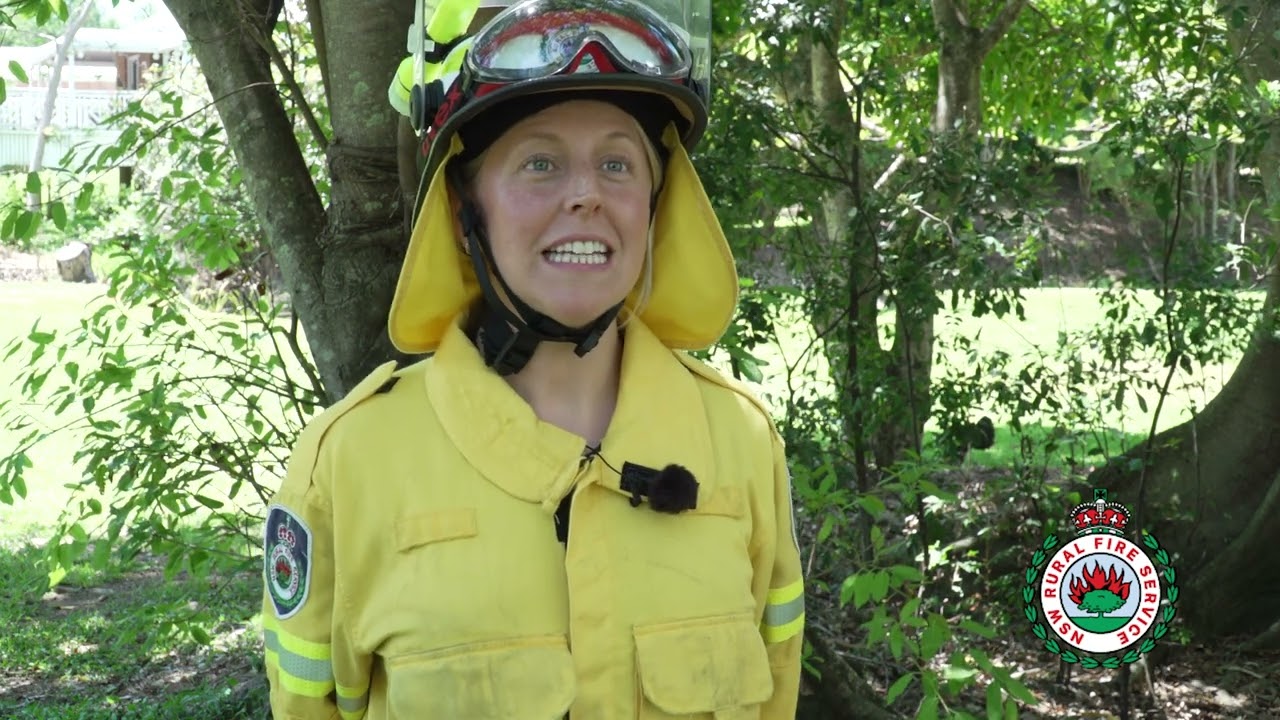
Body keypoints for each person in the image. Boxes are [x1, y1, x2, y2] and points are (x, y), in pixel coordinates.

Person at [261, 0, 805, 717]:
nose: (586, 195)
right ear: (464, 213)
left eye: (617, 162)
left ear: (655, 203)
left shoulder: (741, 440)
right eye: (540, 163)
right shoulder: (349, 463)